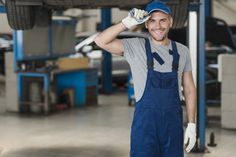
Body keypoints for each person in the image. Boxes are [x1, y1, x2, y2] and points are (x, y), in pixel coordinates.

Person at [95, 1, 196, 157]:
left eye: (162, 20)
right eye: (152, 21)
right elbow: (100, 41)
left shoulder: (182, 51)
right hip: (145, 128)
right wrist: (126, 23)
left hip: (172, 127)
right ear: (146, 25)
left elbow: (189, 89)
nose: (158, 26)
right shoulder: (136, 47)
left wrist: (191, 124)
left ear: (171, 22)